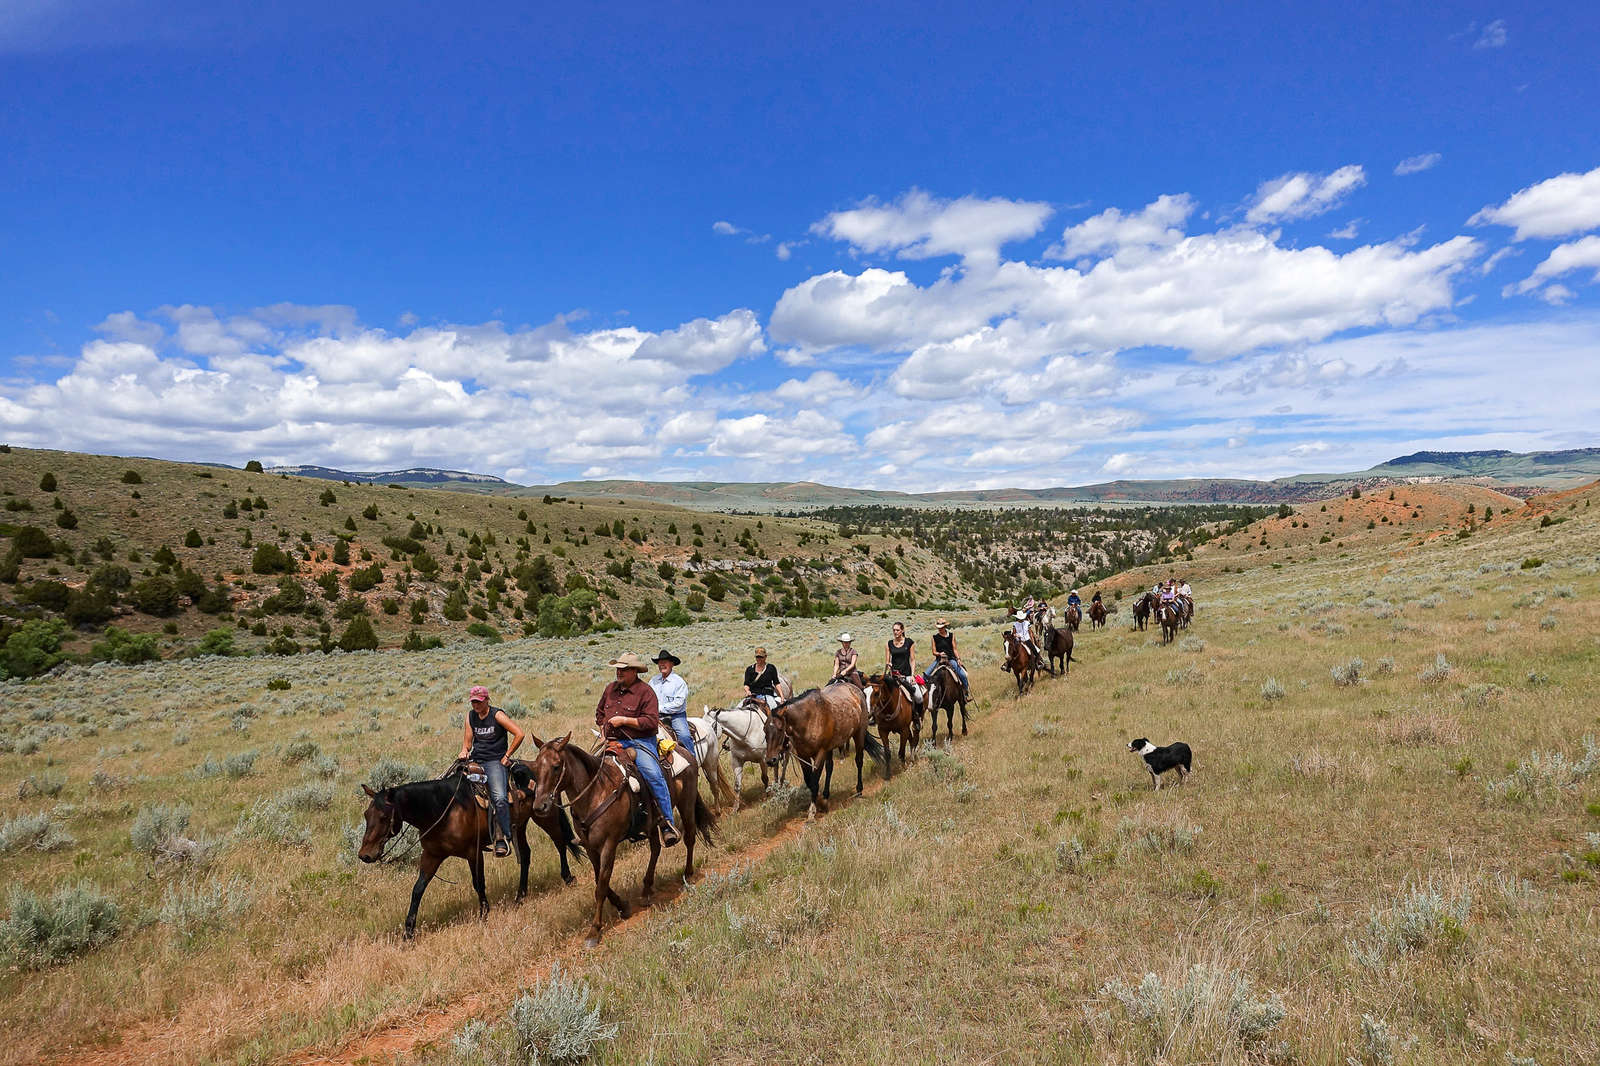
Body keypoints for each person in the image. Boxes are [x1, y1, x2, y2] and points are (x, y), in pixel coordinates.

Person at [596, 653, 680, 847]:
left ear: (634, 671)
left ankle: (667, 824)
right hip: (612, 742)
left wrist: (624, 720)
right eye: (618, 668)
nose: (619, 672)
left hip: (640, 742)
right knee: (589, 771)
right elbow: (600, 714)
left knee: (653, 775)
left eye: (623, 669)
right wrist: (603, 733)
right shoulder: (610, 689)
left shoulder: (645, 692)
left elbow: (651, 721)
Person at [456, 685, 525, 857]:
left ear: (487, 700)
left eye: (479, 702)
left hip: (495, 761)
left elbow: (519, 733)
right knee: (454, 786)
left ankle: (504, 838)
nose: (476, 706)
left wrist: (507, 755)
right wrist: (464, 751)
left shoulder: (497, 715)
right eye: (473, 702)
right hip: (476, 760)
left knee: (499, 798)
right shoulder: (471, 716)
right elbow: (468, 742)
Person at [649, 648, 695, 757]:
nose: (662, 665)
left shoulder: (678, 682)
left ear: (672, 664)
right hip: (655, 716)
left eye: (665, 662)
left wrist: (659, 708)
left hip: (676, 716)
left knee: (684, 736)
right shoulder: (653, 681)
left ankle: (693, 760)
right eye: (660, 662)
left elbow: (678, 704)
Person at [929, 618, 969, 698]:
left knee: (963, 675)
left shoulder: (951, 636)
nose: (940, 629)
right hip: (939, 660)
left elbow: (954, 649)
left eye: (941, 627)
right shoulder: (934, 637)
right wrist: (939, 654)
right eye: (938, 628)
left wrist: (958, 659)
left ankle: (965, 692)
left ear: (945, 627)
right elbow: (934, 652)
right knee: (926, 676)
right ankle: (927, 697)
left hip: (950, 659)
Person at [885, 621, 922, 705]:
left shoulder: (909, 642)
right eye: (894, 630)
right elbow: (887, 661)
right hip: (893, 676)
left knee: (919, 697)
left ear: (902, 630)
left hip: (907, 675)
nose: (895, 632)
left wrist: (912, 675)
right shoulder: (889, 644)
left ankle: (918, 716)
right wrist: (888, 665)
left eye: (897, 630)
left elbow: (912, 660)